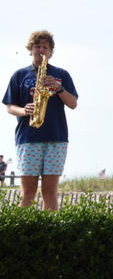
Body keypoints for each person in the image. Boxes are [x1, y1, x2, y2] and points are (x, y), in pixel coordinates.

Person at [2, 31, 78, 210]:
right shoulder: (19, 75)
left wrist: (59, 88)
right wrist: (23, 110)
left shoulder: (61, 74)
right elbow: (9, 106)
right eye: (38, 46)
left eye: (45, 47)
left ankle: (50, 234)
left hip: (56, 138)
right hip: (28, 138)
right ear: (30, 50)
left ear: (51, 51)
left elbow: (73, 103)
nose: (41, 50)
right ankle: (21, 233)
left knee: (49, 192)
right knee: (28, 193)